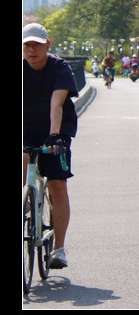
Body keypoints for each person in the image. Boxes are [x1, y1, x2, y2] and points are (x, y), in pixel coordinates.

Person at [23, 23, 78, 270]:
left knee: (57, 184)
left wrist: (54, 136)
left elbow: (56, 104)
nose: (31, 50)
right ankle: (25, 203)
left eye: (36, 44)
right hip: (26, 129)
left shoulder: (60, 68)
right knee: (23, 160)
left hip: (56, 130)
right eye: (27, 45)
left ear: (48, 45)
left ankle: (59, 248)